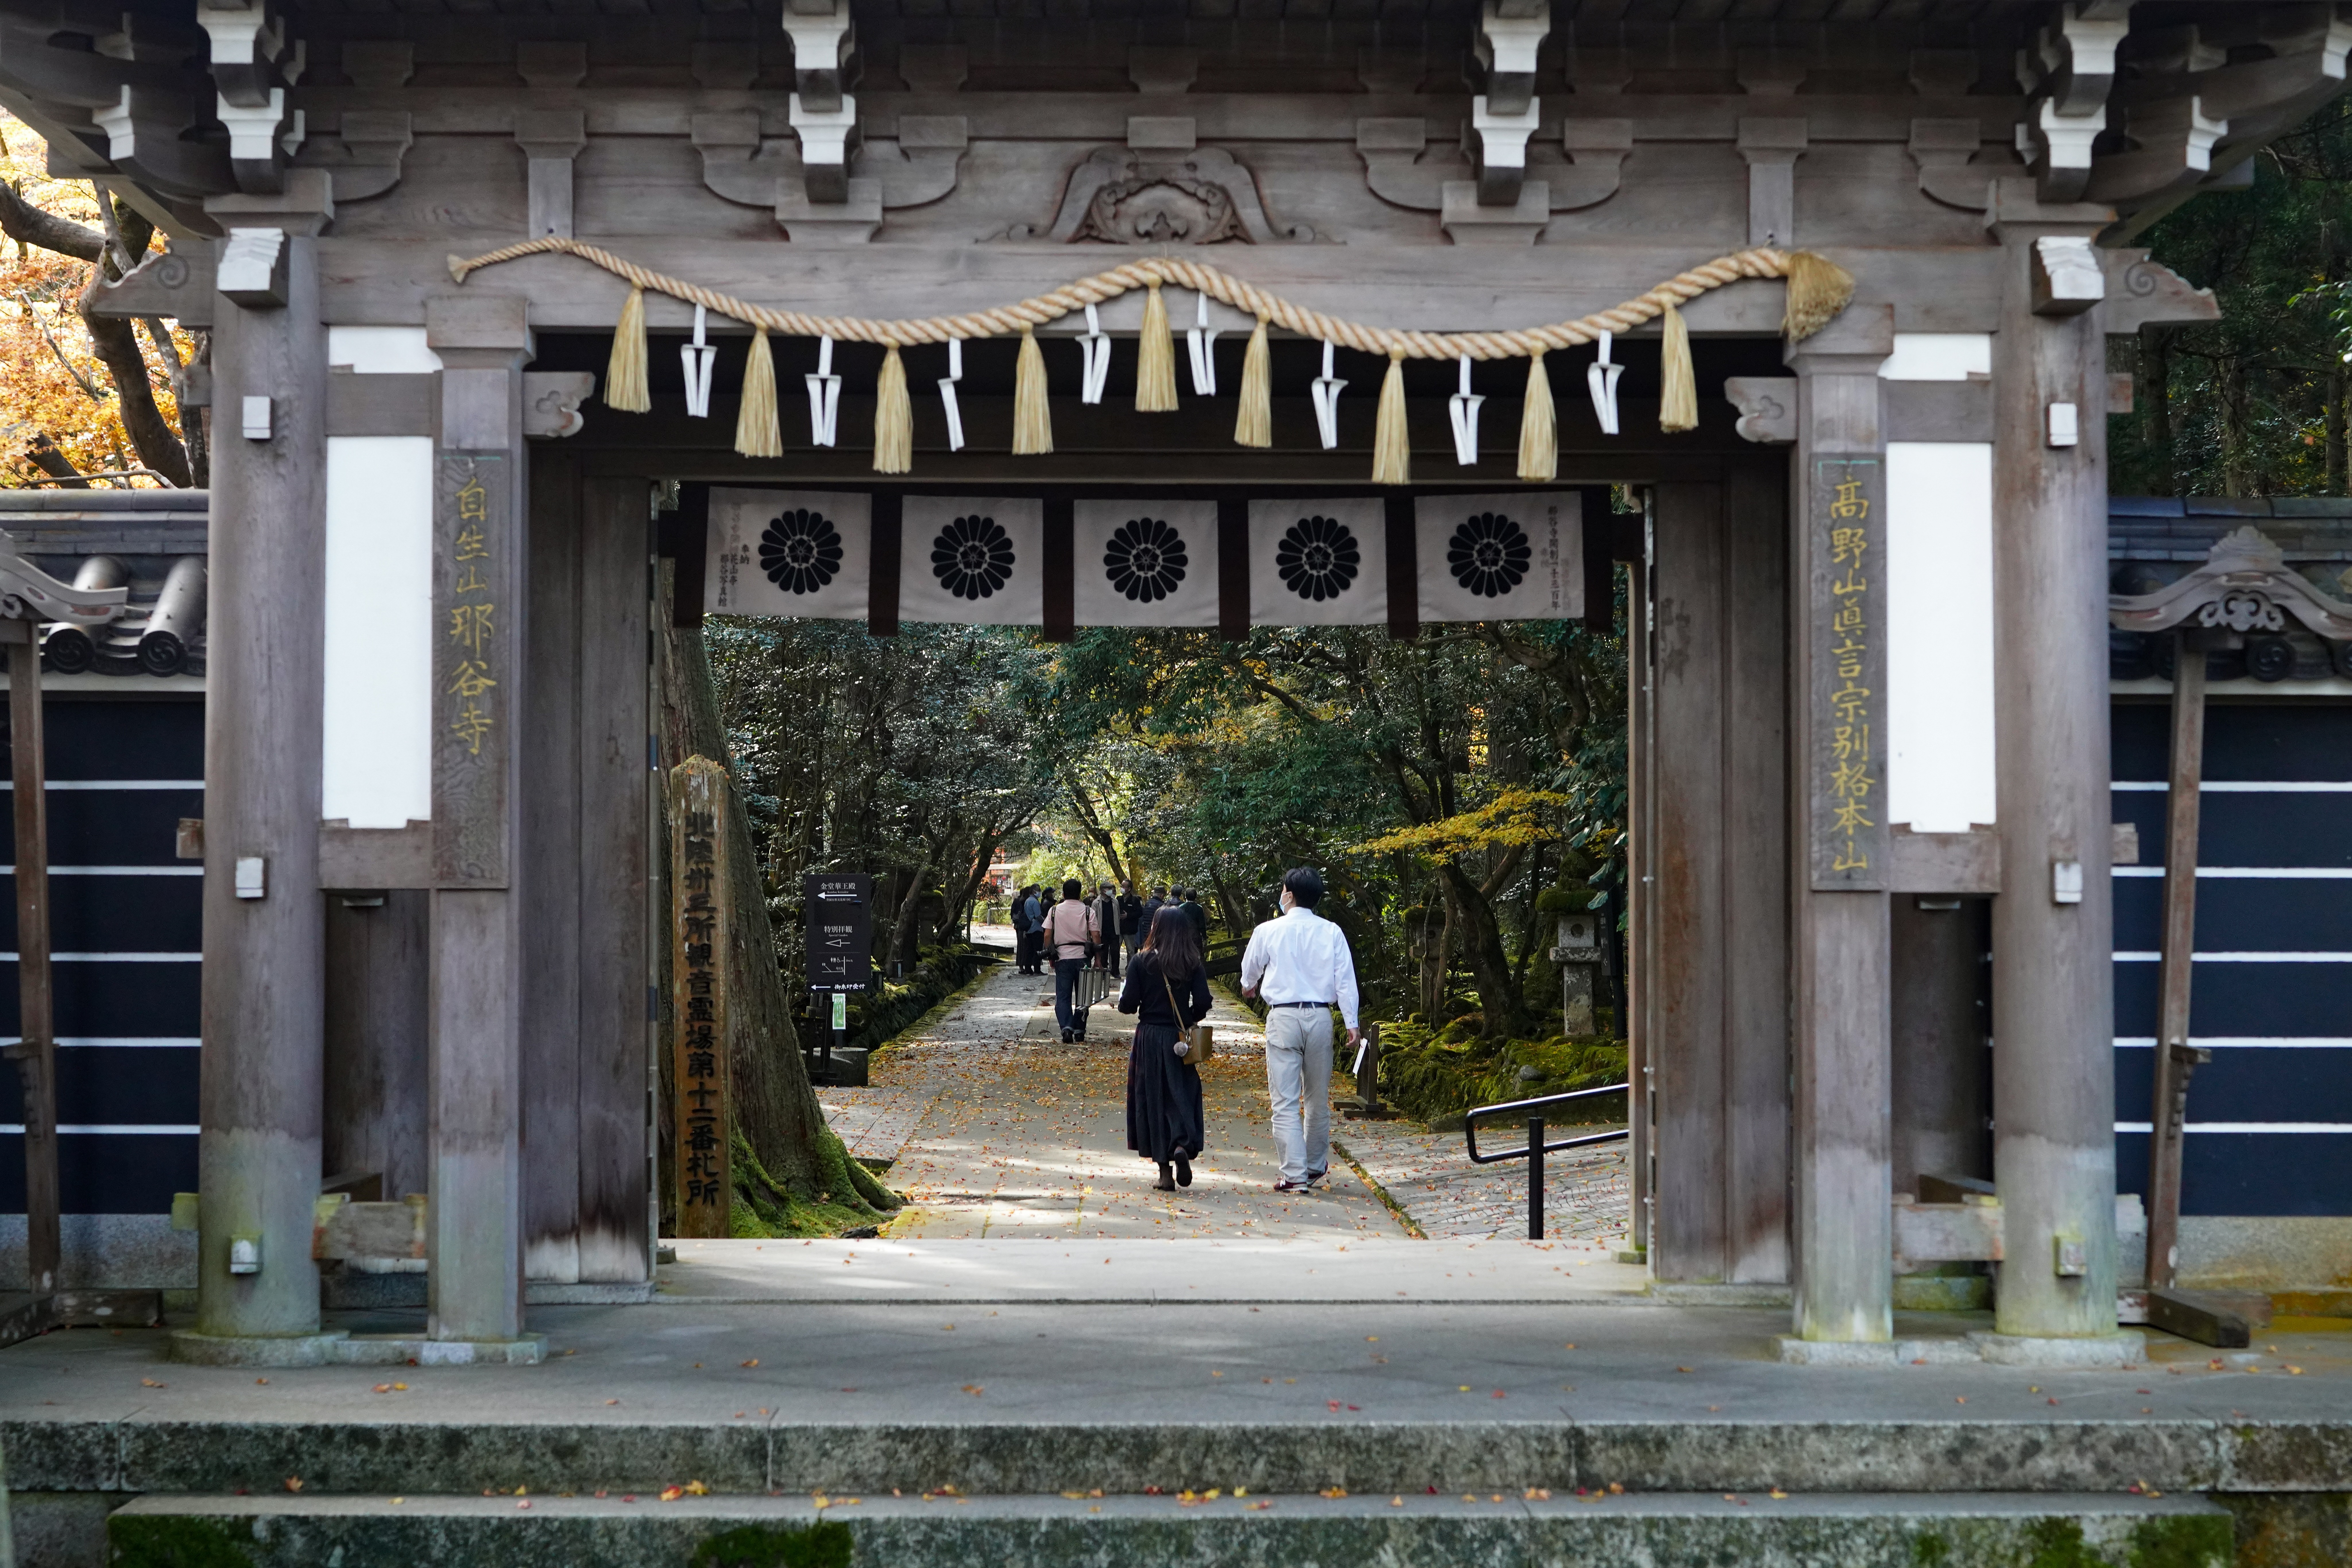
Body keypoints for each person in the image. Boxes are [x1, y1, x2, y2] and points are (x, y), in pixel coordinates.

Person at [1238, 866, 1360, 1193]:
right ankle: (1313, 1166)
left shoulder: (1268, 930)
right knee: (1318, 1099)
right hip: (1320, 1017)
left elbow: (1249, 971)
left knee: (1285, 1100)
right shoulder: (1332, 931)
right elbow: (1345, 980)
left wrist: (1249, 987)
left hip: (1284, 1018)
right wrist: (1352, 1023)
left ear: (1288, 895)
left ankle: (1293, 1175)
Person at [1117, 905, 1211, 1192]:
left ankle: (1164, 1173)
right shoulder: (1191, 961)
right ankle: (1182, 1143)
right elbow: (1204, 1002)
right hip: (1179, 1040)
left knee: (1152, 1100)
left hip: (1148, 1038)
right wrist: (1188, 1017)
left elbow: (1127, 1005)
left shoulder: (1141, 961)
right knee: (1182, 1094)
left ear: (1154, 929)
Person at [1041, 877, 1100, 1042]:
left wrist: (1050, 954)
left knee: (1063, 996)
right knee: (1083, 996)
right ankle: (1080, 1030)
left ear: (1064, 893)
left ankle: (1067, 1029)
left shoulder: (1054, 911)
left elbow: (1047, 934)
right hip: (1083, 959)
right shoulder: (1089, 911)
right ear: (1080, 894)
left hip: (1063, 958)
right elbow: (1096, 936)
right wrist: (1098, 960)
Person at [1092, 881, 1123, 978]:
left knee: (1115, 952)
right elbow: (1093, 918)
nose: (1111, 891)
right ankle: (1104, 972)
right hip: (1102, 932)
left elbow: (1118, 916)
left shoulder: (1115, 902)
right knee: (1103, 953)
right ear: (1103, 891)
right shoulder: (1096, 903)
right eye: (1109, 889)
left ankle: (1115, 972)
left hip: (1114, 931)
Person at [1118, 884, 1146, 966]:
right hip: (1119, 929)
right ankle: (1114, 969)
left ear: (1129, 889)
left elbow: (1140, 913)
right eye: (1121, 886)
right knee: (1115, 950)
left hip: (1130, 930)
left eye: (1124, 887)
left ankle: (1130, 968)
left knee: (1131, 951)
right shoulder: (1118, 899)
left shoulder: (1135, 900)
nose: (1122, 888)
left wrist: (1128, 916)